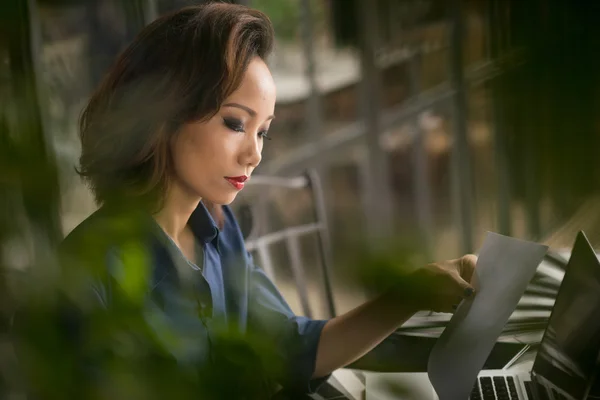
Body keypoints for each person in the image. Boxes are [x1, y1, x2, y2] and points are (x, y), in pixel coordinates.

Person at [31, 3, 477, 398]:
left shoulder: (218, 235)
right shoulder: (85, 281)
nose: (255, 153)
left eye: (263, 130)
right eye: (234, 123)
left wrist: (410, 292)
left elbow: (296, 348)